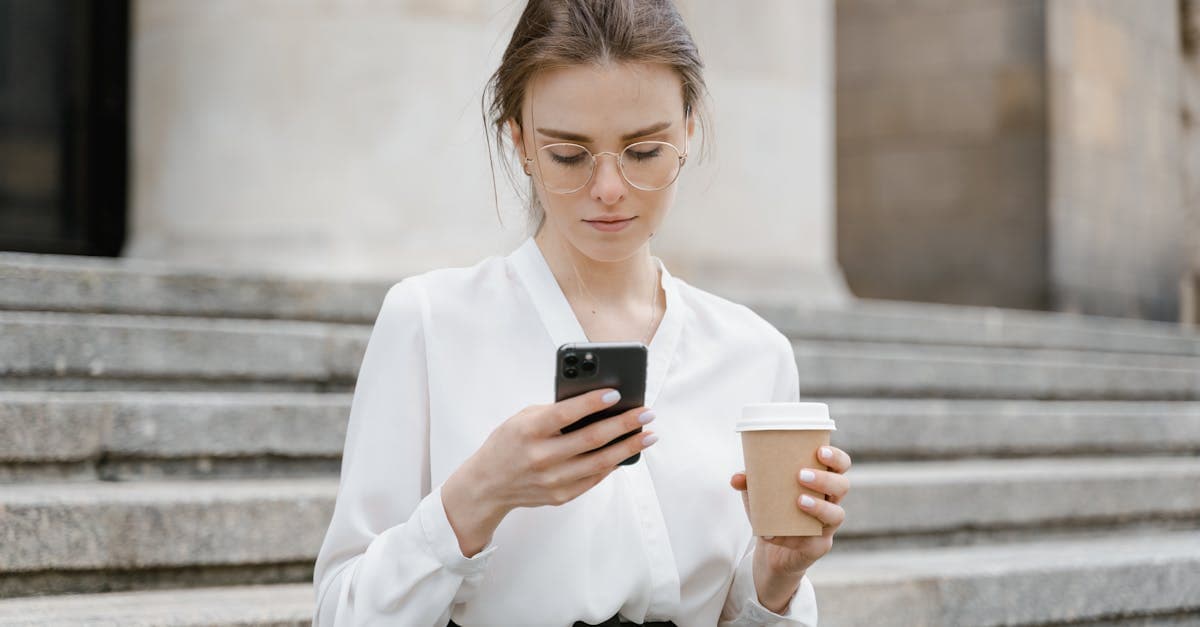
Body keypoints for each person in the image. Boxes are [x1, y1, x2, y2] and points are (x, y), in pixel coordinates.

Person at [311, 1, 851, 625]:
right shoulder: (430, 321)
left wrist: (776, 582)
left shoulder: (753, 353)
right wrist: (481, 492)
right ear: (519, 142)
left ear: (689, 131)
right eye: (569, 154)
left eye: (645, 150)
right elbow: (341, 613)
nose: (609, 188)